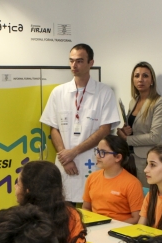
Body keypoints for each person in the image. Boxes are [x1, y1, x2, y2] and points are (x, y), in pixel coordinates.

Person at [40, 43, 120, 203]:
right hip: (65, 165)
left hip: (92, 163)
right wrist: (66, 157)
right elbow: (53, 127)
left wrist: (74, 152)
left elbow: (105, 129)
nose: (74, 65)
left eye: (79, 61)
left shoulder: (104, 93)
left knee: (93, 208)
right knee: (64, 210)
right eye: (71, 61)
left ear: (91, 63)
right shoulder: (58, 92)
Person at [16, 160, 93, 243]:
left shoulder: (18, 219)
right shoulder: (70, 215)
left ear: (27, 192)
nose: (15, 187)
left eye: (18, 183)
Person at [117, 62, 162, 186]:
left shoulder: (159, 102)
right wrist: (124, 130)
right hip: (130, 158)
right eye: (137, 76)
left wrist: (127, 139)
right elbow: (134, 127)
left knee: (147, 196)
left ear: (152, 80)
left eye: (145, 76)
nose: (140, 79)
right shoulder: (133, 101)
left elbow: (154, 136)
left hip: (149, 159)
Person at [83, 135, 144, 224]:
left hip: (119, 230)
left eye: (103, 152)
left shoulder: (132, 183)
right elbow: (86, 208)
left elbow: (137, 218)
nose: (98, 156)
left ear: (118, 157)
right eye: (97, 151)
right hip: (95, 226)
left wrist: (111, 228)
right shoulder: (92, 177)